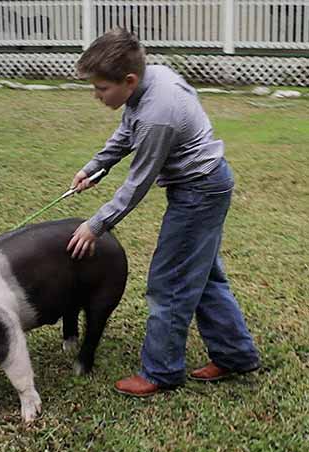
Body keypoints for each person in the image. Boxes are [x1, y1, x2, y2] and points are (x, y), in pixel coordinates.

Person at [66, 28, 260, 396]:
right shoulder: (149, 83)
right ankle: (235, 354)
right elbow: (127, 132)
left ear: (129, 80)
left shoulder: (159, 112)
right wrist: (95, 167)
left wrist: (96, 224)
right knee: (201, 277)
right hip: (206, 184)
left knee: (168, 282)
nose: (96, 95)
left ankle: (162, 371)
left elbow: (137, 183)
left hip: (199, 192)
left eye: (101, 89)